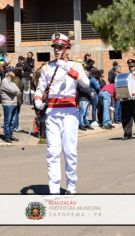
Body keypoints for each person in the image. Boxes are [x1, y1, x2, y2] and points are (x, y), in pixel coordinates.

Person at [34, 32, 89, 194]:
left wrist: (67, 68)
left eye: (60, 47)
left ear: (67, 48)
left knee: (70, 151)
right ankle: (54, 190)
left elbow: (85, 83)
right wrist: (37, 100)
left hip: (70, 112)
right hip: (52, 112)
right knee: (52, 152)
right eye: (55, 47)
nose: (57, 50)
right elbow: (40, 88)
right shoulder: (47, 68)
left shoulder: (76, 66)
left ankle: (71, 186)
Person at [0, 71, 20, 143]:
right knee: (7, 121)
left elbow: (18, 90)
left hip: (14, 103)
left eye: (13, 76)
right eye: (11, 76)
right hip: (7, 103)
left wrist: (15, 91)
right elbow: (13, 90)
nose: (12, 77)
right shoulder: (4, 81)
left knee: (12, 121)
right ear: (8, 75)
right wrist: (15, 91)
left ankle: (11, 135)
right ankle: (7, 136)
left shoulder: (12, 82)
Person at [12, 68, 24, 132]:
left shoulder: (16, 79)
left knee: (15, 113)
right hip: (17, 99)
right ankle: (15, 126)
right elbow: (16, 90)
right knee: (16, 113)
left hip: (17, 98)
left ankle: (15, 126)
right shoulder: (16, 79)